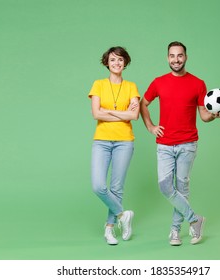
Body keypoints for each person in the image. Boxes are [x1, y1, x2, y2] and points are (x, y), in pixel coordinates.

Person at [140, 41, 220, 246]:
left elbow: (204, 116)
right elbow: (143, 103)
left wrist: (214, 116)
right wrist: (151, 127)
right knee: (165, 186)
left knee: (182, 187)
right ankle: (195, 219)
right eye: (172, 56)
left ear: (186, 57)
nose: (175, 59)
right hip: (165, 144)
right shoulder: (159, 82)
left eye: (179, 55)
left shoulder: (198, 83)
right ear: (167, 58)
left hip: (188, 144)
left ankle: (175, 232)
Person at [88, 46, 140, 245]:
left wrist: (108, 111)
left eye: (120, 60)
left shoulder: (131, 87)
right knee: (98, 186)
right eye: (112, 60)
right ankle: (122, 215)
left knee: (117, 188)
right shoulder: (98, 85)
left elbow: (134, 116)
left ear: (125, 62)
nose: (116, 63)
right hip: (101, 141)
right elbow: (96, 113)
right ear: (107, 63)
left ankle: (109, 229)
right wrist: (122, 113)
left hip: (124, 141)